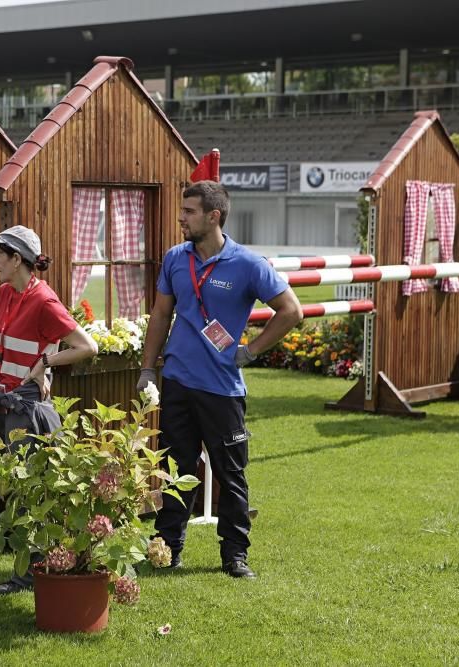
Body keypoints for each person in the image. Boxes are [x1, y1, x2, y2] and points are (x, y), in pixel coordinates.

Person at [137, 181, 301, 579]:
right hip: (177, 383)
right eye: (182, 210)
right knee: (176, 470)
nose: (181, 217)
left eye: (189, 212)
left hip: (222, 391)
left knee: (230, 476)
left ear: (214, 216)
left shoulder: (248, 264)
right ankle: (167, 549)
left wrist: (251, 350)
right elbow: (161, 316)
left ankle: (234, 555)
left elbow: (291, 311)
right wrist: (146, 369)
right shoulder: (175, 259)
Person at [0, 225, 98, 594]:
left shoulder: (44, 300)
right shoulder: (4, 293)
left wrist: (46, 362)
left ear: (17, 260)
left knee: (30, 491)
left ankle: (30, 574)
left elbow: (87, 346)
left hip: (24, 411)